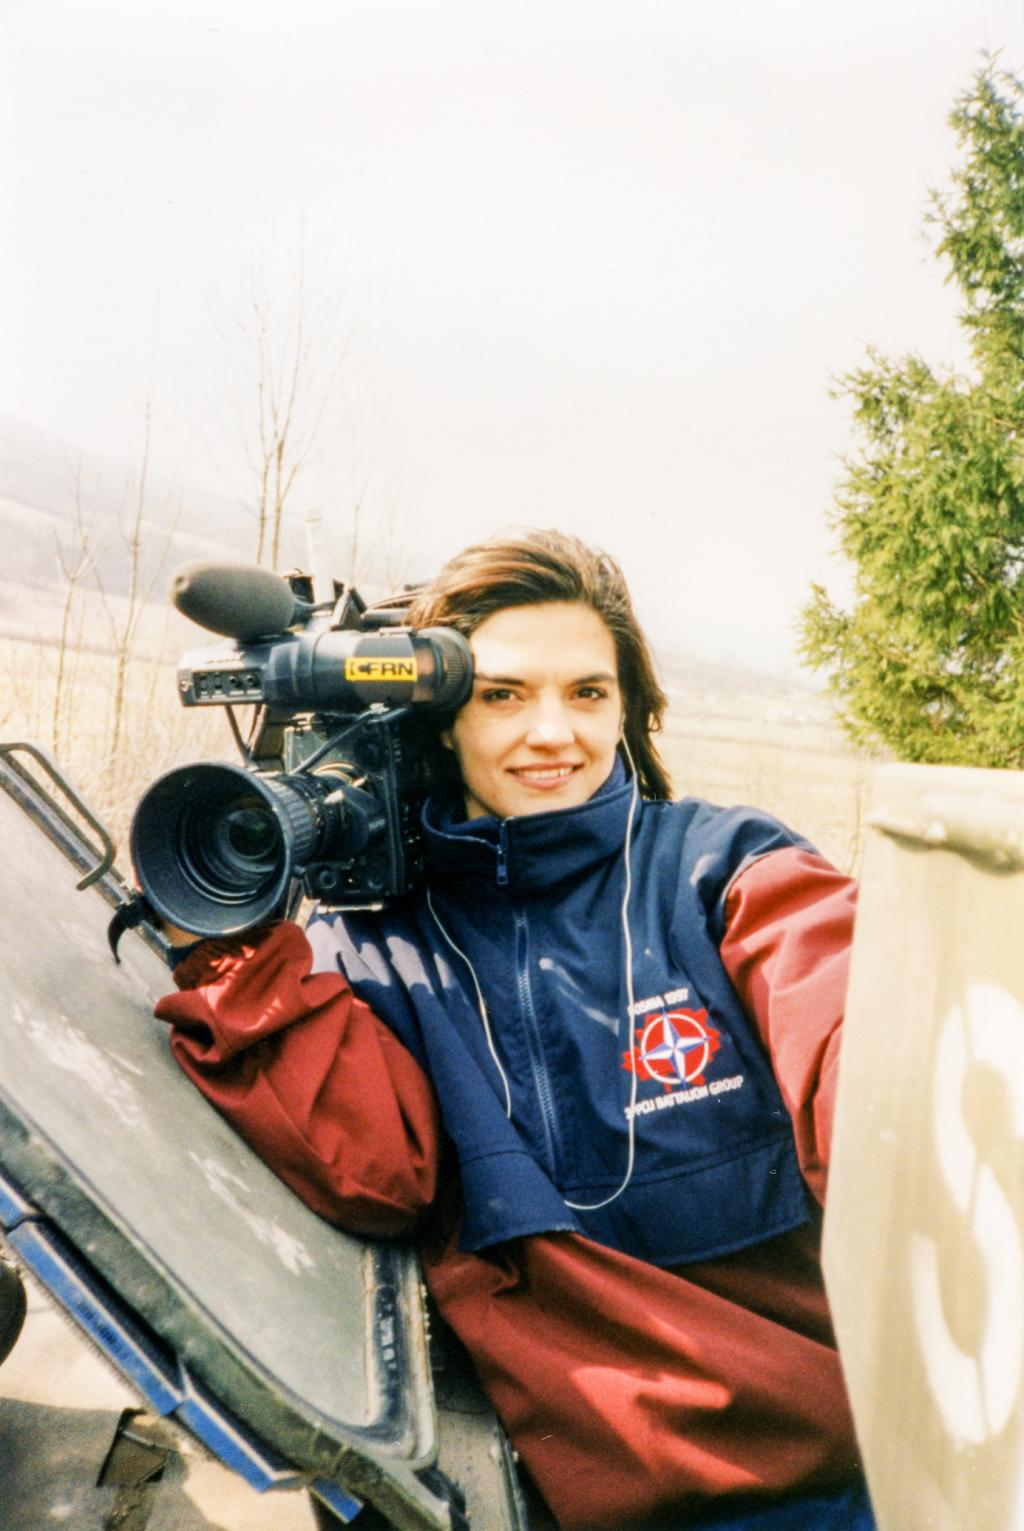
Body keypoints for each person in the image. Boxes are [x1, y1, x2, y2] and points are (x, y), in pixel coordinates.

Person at [154, 529, 874, 1531]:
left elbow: (870, 1076)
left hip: (809, 1494)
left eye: (586, 693)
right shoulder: (372, 955)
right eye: (502, 695)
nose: (552, 733)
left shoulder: (726, 874)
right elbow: (374, 1172)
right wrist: (230, 941)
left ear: (628, 710)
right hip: (538, 1504)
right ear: (438, 720)